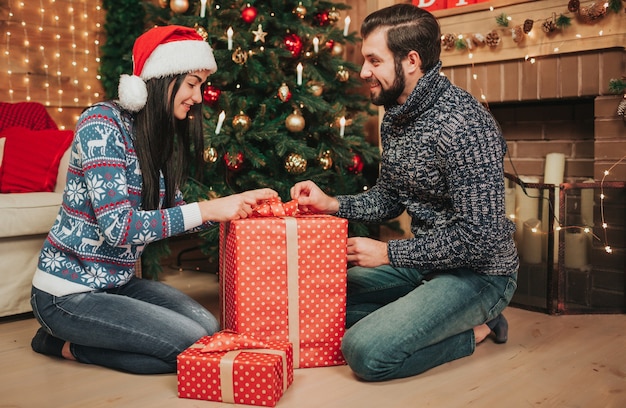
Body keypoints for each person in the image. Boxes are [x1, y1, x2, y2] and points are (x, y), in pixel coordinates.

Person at [29, 25, 278, 374]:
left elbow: (174, 215)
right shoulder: (100, 123)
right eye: (192, 83)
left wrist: (235, 205)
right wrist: (208, 208)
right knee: (190, 344)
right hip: (68, 293)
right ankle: (59, 343)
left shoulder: (152, 136)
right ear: (163, 77)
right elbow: (119, 228)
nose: (198, 96)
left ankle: (79, 341)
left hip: (119, 284)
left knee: (206, 330)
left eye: (201, 86)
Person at [291, 4, 518, 381]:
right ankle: (424, 317)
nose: (363, 72)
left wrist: (387, 253)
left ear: (410, 61)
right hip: (423, 263)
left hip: (479, 276)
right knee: (317, 304)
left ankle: (477, 328)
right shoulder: (397, 115)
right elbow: (390, 197)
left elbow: (481, 240)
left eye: (373, 61)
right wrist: (332, 204)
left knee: (365, 352)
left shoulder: (465, 125)